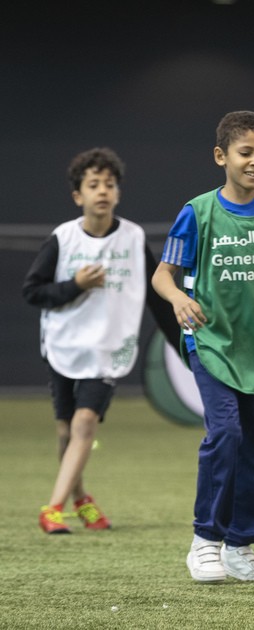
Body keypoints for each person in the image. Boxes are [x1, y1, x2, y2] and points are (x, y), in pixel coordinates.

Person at [152, 111, 254, 582]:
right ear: (221, 156)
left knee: (250, 447)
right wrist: (180, 298)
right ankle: (205, 541)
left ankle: (241, 547)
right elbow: (162, 275)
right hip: (211, 342)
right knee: (225, 435)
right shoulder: (198, 212)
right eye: (246, 152)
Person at [23, 147, 178, 535]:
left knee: (85, 422)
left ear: (118, 193)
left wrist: (183, 345)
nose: (102, 191)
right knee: (66, 430)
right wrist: (76, 286)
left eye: (109, 184)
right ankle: (81, 499)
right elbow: (33, 291)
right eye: (93, 185)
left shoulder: (132, 237)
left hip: (109, 347)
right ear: (79, 196)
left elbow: (155, 295)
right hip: (64, 344)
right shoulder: (63, 238)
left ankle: (53, 508)